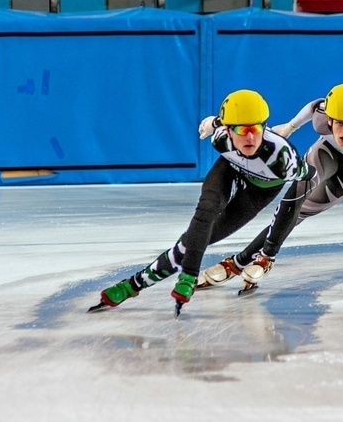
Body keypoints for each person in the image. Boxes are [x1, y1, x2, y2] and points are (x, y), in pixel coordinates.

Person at [198, 83, 343, 289]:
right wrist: (290, 127)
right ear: (329, 119)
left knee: (302, 212)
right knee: (295, 194)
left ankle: (245, 260)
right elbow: (315, 105)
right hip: (329, 150)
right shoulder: (322, 117)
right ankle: (254, 260)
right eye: (339, 123)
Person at [91, 89, 311, 311]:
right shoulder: (221, 140)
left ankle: (133, 284)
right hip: (231, 169)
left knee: (198, 239)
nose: (250, 137)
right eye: (241, 129)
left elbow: (308, 176)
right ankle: (187, 277)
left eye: (255, 128)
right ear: (228, 130)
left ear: (264, 127)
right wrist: (213, 123)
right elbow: (216, 123)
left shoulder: (283, 161)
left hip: (261, 191)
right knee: (206, 209)